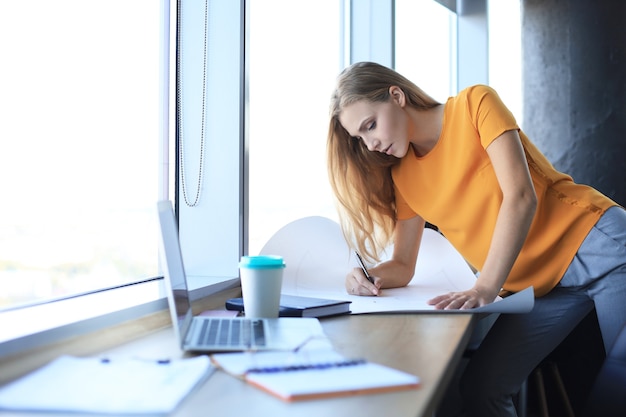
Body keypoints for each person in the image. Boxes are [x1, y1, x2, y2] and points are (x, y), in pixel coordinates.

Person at [326, 61, 626, 417]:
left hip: (601, 247)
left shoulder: (474, 105)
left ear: (396, 95)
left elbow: (520, 197)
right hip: (543, 287)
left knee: (619, 393)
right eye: (361, 137)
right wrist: (368, 277)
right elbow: (403, 265)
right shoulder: (404, 177)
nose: (371, 143)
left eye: (370, 124)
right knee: (482, 389)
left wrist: (484, 288)